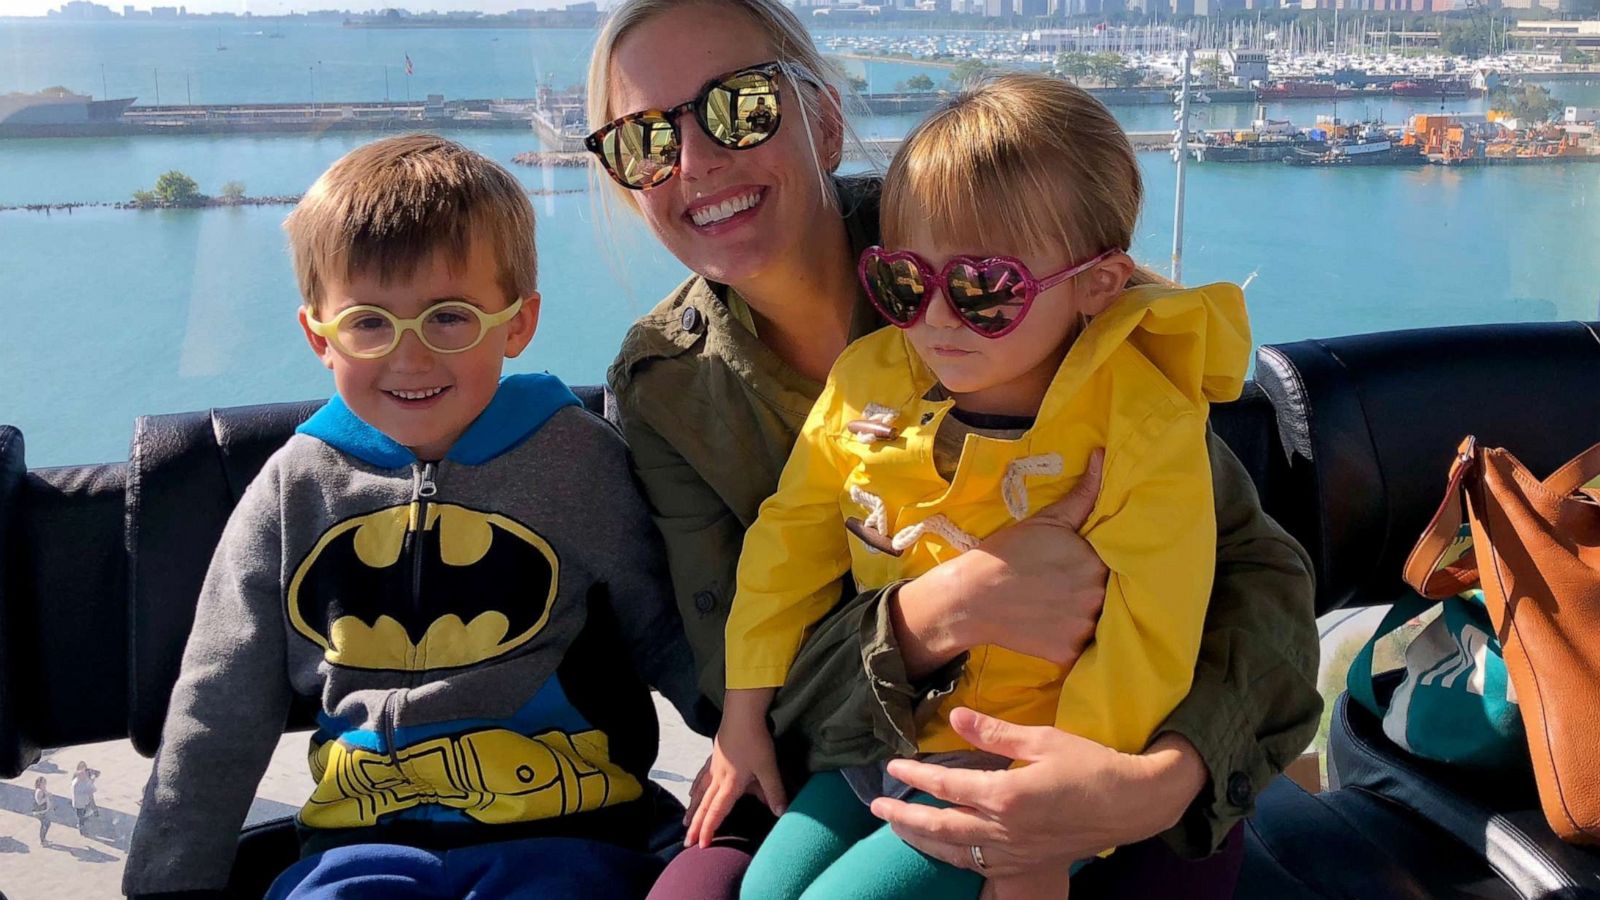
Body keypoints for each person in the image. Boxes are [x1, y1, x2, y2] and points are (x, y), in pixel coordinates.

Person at [588, 2, 1321, 898]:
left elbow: (1257, 579)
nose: (693, 162)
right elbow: (736, 683)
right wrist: (940, 610)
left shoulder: (1006, 235)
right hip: (859, 751)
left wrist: (1148, 785)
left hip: (1105, 764)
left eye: (740, 107)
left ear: (822, 122)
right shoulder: (669, 385)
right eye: (643, 140)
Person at [699, 74, 1249, 900]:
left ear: (1099, 285)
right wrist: (746, 707)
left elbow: (1150, 635)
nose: (936, 320)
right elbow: (791, 539)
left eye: (984, 290)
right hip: (889, 733)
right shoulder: (870, 379)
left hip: (1025, 764)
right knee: (764, 891)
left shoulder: (1140, 423)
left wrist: (1054, 811)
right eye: (905, 284)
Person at [122, 134, 700, 900]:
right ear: (317, 336)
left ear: (517, 322)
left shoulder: (575, 460)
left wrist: (754, 739)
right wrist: (171, 883)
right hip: (357, 840)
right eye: (369, 323)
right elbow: (221, 698)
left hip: (567, 830)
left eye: (450, 318)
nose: (410, 357)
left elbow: (671, 628)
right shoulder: (295, 486)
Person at [70, 761, 100, 834]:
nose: (84, 774)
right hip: (79, 803)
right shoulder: (76, 783)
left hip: (85, 801)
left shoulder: (85, 776)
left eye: (84, 769)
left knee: (85, 812)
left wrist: (93, 776)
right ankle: (81, 828)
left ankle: (84, 822)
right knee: (81, 816)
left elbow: (96, 775)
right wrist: (89, 789)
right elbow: (81, 792)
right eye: (82, 771)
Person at [32, 776, 51, 846]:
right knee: (45, 824)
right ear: (39, 783)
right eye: (43, 782)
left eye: (45, 782)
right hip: (40, 812)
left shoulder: (43, 789)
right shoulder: (39, 791)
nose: (44, 784)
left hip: (44, 811)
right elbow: (39, 802)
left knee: (46, 824)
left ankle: (43, 839)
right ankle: (42, 841)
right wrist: (46, 797)